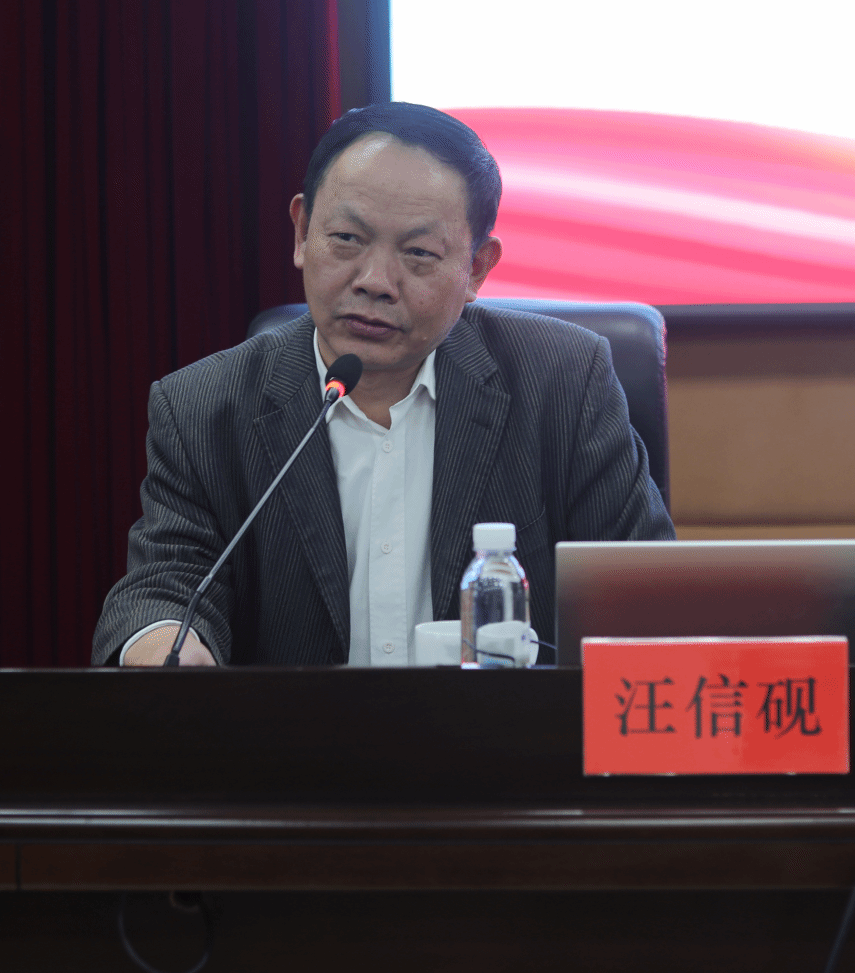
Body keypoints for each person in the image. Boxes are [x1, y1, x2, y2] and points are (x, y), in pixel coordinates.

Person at [93, 102, 674, 667]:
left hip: (502, 732)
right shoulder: (203, 407)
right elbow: (166, 584)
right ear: (302, 232)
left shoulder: (564, 383)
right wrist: (166, 645)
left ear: (477, 268)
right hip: (294, 735)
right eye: (347, 239)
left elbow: (649, 599)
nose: (374, 281)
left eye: (418, 253)